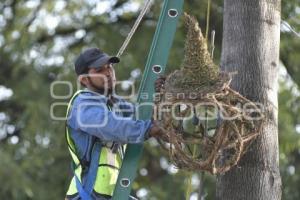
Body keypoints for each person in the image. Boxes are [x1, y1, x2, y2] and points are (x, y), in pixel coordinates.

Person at [65, 47, 165, 200]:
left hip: (111, 195)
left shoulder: (113, 103)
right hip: (87, 195)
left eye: (109, 66)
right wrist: (148, 129)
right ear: (84, 80)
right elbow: (111, 126)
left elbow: (143, 115)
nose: (108, 72)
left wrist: (160, 95)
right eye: (99, 70)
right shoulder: (83, 104)